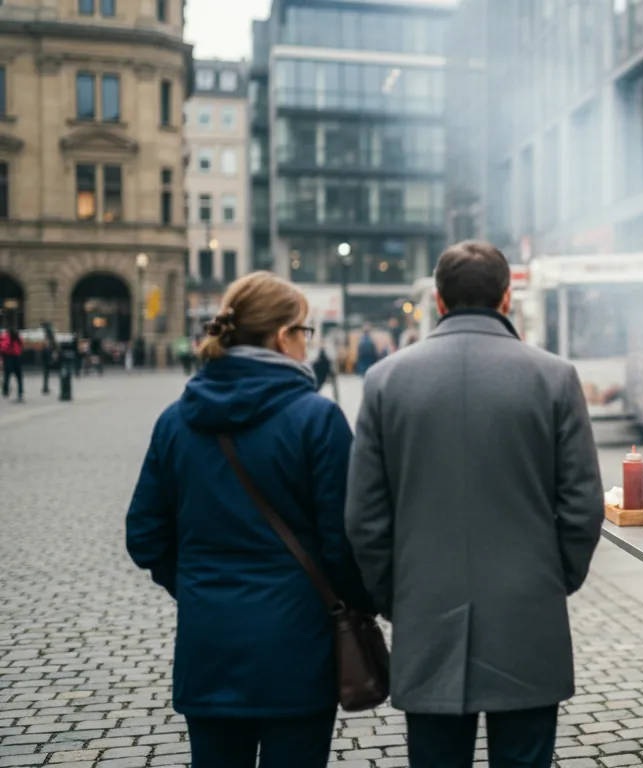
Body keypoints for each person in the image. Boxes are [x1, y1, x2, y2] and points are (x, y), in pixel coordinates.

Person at [345, 241, 604, 768]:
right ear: (507, 297)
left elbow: (364, 519)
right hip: (528, 612)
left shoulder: (385, 381)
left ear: (439, 301)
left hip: (427, 610)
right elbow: (582, 505)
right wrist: (556, 577)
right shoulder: (554, 377)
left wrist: (396, 595)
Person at [126, 272, 375, 768]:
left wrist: (196, 583)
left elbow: (145, 535)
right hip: (298, 648)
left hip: (209, 646)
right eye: (304, 331)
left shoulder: (176, 420)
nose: (308, 343)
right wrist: (359, 605)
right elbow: (344, 541)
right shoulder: (316, 419)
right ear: (283, 336)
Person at [0, 324, 23, 403]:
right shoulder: (16, 337)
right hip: (14, 357)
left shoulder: (7, 336)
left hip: (10, 357)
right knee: (17, 376)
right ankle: (18, 392)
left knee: (8, 375)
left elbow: (3, 347)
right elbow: (20, 346)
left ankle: (6, 390)